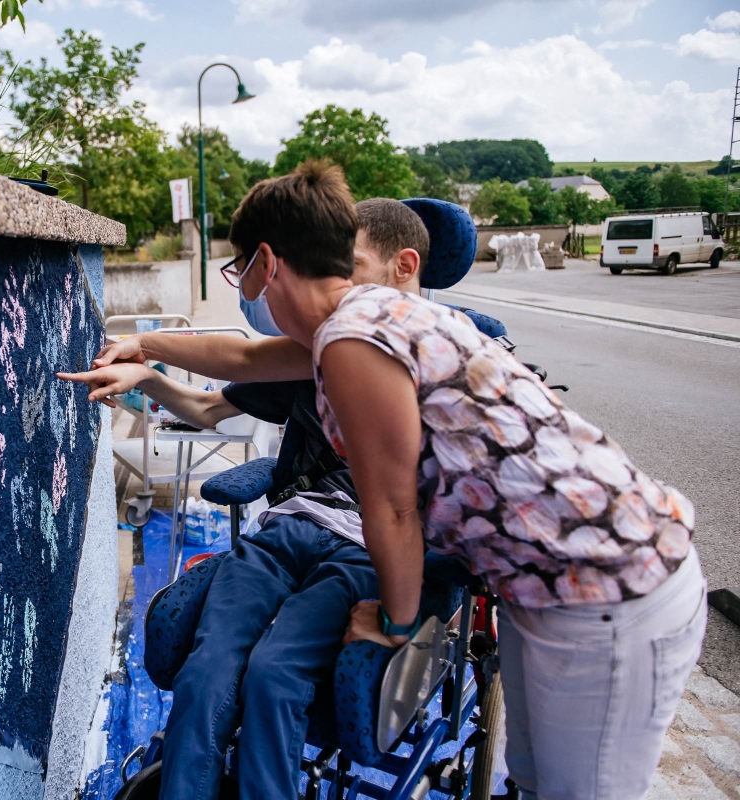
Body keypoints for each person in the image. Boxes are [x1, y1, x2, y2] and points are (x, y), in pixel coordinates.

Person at [181, 159, 702, 800]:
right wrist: (146, 351)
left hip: (606, 586)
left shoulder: (352, 341)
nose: (248, 290)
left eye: (243, 273)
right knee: (536, 783)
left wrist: (397, 624)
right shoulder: (371, 313)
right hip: (547, 585)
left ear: (268, 263)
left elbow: (393, 509)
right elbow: (246, 356)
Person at [58, 195, 440, 799]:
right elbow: (230, 375)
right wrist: (148, 368)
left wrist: (400, 611)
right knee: (207, 667)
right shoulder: (322, 346)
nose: (333, 280)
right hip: (290, 526)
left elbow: (399, 511)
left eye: (349, 265)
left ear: (404, 266)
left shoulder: (437, 354)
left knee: (272, 676)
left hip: (364, 545)